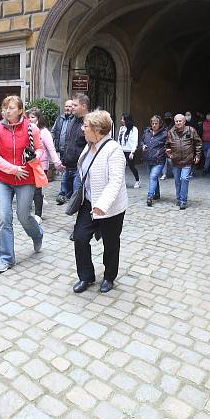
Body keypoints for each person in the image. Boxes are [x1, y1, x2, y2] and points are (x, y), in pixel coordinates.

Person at [71, 110, 128, 294]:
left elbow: (116, 181)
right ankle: (86, 276)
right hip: (89, 203)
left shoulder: (114, 150)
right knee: (79, 238)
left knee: (111, 243)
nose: (82, 129)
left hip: (110, 207)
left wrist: (102, 205)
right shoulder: (89, 145)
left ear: (97, 129)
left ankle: (109, 276)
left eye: (86, 126)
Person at [0, 96, 44, 273]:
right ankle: (7, 258)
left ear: (20, 110)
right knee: (4, 218)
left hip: (25, 180)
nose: (7, 111)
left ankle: (37, 234)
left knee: (23, 216)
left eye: (11, 108)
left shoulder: (31, 128)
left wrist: (35, 155)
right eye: (5, 108)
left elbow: (40, 148)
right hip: (4, 180)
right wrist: (13, 169)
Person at [26, 107, 62, 223]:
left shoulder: (44, 132)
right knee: (29, 189)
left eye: (33, 117)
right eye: (29, 117)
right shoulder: (27, 130)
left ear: (38, 118)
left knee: (37, 190)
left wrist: (57, 163)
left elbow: (51, 149)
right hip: (29, 164)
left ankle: (38, 215)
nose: (30, 119)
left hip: (41, 164)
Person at [165, 114, 201, 210]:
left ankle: (183, 201)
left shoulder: (191, 130)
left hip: (187, 160)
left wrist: (197, 155)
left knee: (184, 179)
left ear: (184, 122)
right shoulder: (171, 132)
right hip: (175, 161)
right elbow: (167, 145)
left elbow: (198, 143)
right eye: (176, 121)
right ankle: (178, 198)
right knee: (177, 181)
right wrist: (168, 153)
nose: (178, 123)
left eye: (180, 121)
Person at [58, 94, 89, 204]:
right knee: (69, 197)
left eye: (75, 105)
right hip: (68, 166)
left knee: (77, 199)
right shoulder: (72, 120)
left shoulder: (89, 122)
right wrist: (63, 160)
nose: (72, 107)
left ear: (83, 106)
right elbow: (68, 142)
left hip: (80, 168)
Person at [142, 115, 167, 207]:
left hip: (159, 159)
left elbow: (168, 144)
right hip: (149, 158)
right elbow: (142, 141)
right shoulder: (147, 132)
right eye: (152, 123)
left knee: (153, 176)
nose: (154, 125)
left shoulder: (164, 133)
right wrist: (143, 146)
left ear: (160, 124)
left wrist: (167, 150)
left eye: (156, 123)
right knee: (154, 177)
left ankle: (150, 196)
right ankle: (157, 194)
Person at [117, 113, 140, 188]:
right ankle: (120, 182)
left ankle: (137, 180)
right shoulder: (122, 128)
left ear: (127, 120)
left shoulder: (134, 129)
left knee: (131, 166)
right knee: (120, 167)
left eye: (123, 119)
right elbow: (119, 140)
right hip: (121, 150)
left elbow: (135, 141)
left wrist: (132, 152)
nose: (121, 120)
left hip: (129, 151)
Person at [161, 111, 174, 180]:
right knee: (164, 160)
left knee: (170, 161)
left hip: (171, 145)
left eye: (169, 117)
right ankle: (164, 174)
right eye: (166, 117)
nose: (167, 118)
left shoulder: (174, 125)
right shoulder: (163, 125)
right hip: (163, 144)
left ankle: (173, 172)